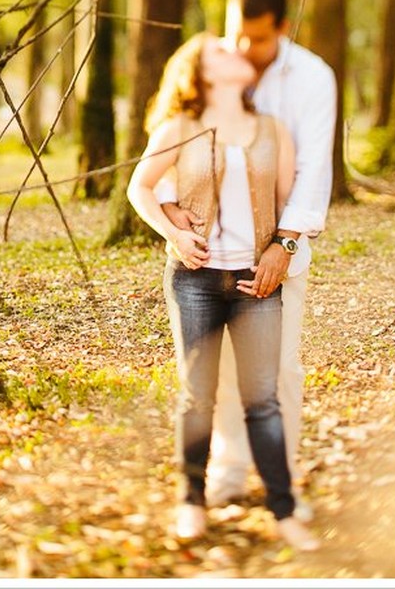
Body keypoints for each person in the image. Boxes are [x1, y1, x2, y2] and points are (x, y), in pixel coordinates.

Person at [127, 32, 320, 550]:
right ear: (200, 72)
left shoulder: (272, 130)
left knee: (264, 399)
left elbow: (285, 208)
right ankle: (191, 500)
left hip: (254, 282)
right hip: (195, 282)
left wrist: (282, 249)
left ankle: (283, 510)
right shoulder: (181, 128)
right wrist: (172, 229)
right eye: (218, 49)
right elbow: (139, 187)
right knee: (199, 395)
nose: (233, 49)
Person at [157, 0, 337, 515]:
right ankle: (228, 473)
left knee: (276, 372)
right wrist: (170, 213)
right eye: (237, 36)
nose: (245, 50)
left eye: (257, 39)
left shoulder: (311, 77)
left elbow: (312, 168)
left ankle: (282, 483)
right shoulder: (215, 68)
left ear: (282, 28)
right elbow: (174, 141)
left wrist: (283, 243)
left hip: (278, 250)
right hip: (209, 259)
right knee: (218, 374)